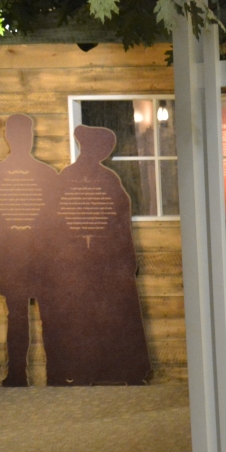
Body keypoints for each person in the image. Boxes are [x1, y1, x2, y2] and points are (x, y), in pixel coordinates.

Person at [40, 125, 152, 385]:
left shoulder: (101, 179)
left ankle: (101, 370)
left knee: (100, 316)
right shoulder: (98, 179)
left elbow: (119, 220)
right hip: (84, 264)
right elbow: (53, 223)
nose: (106, 152)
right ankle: (91, 370)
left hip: (96, 264)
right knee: (87, 317)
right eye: (103, 148)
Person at [0, 114, 59, 386]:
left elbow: (57, 211)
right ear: (8, 137)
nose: (24, 138)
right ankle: (18, 374)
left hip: (41, 253)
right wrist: (11, 224)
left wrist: (19, 224)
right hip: (15, 253)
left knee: (47, 314)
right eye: (19, 134)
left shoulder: (47, 174)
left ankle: (54, 372)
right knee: (18, 316)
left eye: (27, 133)